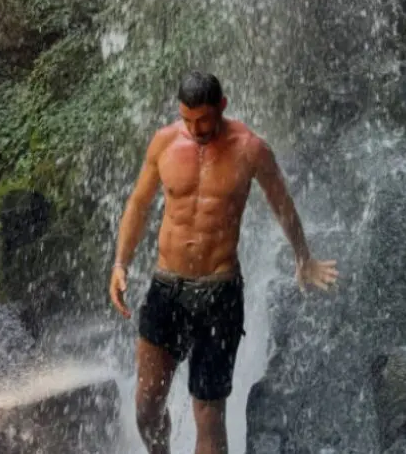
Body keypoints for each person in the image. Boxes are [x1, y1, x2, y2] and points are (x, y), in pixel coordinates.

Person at [108, 72, 338, 454]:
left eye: (203, 119)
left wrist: (304, 257)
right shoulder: (165, 142)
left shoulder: (250, 149)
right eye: (187, 119)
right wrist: (121, 263)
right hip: (167, 288)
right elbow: (138, 203)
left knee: (209, 416)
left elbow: (282, 204)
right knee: (147, 407)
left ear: (222, 106)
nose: (196, 129)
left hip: (220, 296)